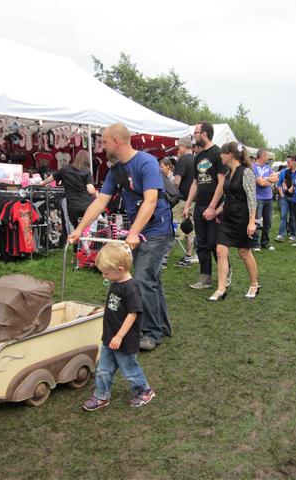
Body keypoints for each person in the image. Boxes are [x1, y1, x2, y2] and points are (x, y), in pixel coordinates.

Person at [68, 123, 173, 352]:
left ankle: (150, 333)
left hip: (158, 229)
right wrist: (80, 229)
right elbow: (101, 201)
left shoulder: (146, 162)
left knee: (143, 279)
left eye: (104, 142)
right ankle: (162, 326)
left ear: (116, 141)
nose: (102, 146)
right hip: (140, 230)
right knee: (152, 280)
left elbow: (151, 200)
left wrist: (133, 232)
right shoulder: (116, 170)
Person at [81, 243, 155, 411]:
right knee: (103, 369)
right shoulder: (116, 282)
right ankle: (101, 396)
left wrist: (120, 336)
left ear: (120, 269)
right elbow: (116, 306)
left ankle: (144, 390)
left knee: (129, 369)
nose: (104, 276)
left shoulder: (131, 288)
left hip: (124, 340)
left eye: (106, 273)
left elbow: (132, 313)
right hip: (110, 337)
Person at [208, 142, 259, 301]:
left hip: (242, 219)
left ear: (229, 154)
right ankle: (221, 289)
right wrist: (214, 212)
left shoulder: (246, 173)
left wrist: (252, 222)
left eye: (222, 153)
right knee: (220, 251)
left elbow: (252, 199)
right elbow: (228, 199)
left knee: (244, 252)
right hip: (227, 219)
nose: (220, 156)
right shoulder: (228, 174)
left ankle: (254, 284)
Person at [183, 122, 228, 289]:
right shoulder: (198, 156)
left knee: (215, 242)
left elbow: (221, 182)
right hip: (199, 205)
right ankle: (205, 278)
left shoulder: (217, 153)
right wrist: (188, 204)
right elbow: (195, 182)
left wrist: (212, 207)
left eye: (196, 132)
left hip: (215, 207)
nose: (193, 136)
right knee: (201, 243)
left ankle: (226, 273)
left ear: (204, 134)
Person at [39, 150, 97, 228]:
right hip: (86, 206)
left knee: (75, 230)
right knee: (88, 230)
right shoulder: (86, 171)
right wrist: (97, 195)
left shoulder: (65, 170)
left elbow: (52, 177)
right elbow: (90, 190)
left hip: (72, 207)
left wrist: (42, 182)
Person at [172, 136, 197, 267]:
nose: (178, 150)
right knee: (190, 229)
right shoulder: (197, 159)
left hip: (182, 201)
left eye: (178, 147)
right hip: (194, 201)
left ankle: (164, 258)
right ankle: (188, 256)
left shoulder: (182, 160)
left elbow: (177, 181)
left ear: (183, 146)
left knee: (173, 226)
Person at [252, 149, 278, 251]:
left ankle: (265, 242)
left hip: (269, 198)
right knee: (257, 221)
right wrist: (269, 180)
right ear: (262, 156)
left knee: (268, 222)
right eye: (267, 156)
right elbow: (260, 183)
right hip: (258, 198)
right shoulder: (253, 167)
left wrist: (265, 179)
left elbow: (276, 179)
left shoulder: (268, 167)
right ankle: (255, 243)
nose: (268, 158)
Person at [275, 155, 296, 242]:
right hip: (286, 197)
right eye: (287, 162)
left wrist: (292, 187)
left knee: (293, 217)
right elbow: (281, 182)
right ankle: (281, 234)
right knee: (283, 216)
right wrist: (282, 192)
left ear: (294, 161)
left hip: (295, 198)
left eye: (289, 162)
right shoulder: (286, 171)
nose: (287, 164)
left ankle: (293, 234)